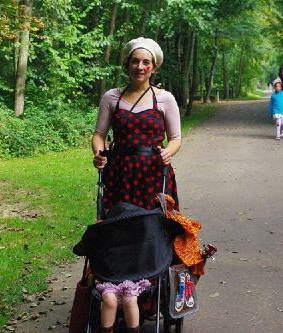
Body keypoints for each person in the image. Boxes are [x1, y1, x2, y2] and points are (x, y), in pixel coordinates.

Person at [91, 37, 182, 333]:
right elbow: (99, 134)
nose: (140, 67)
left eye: (146, 62)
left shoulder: (165, 99)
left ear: (154, 67)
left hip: (154, 176)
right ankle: (115, 291)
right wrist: (98, 153)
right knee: (120, 230)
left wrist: (170, 150)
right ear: (127, 64)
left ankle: (150, 298)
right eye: (135, 61)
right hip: (120, 174)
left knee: (153, 230)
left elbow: (176, 138)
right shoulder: (112, 97)